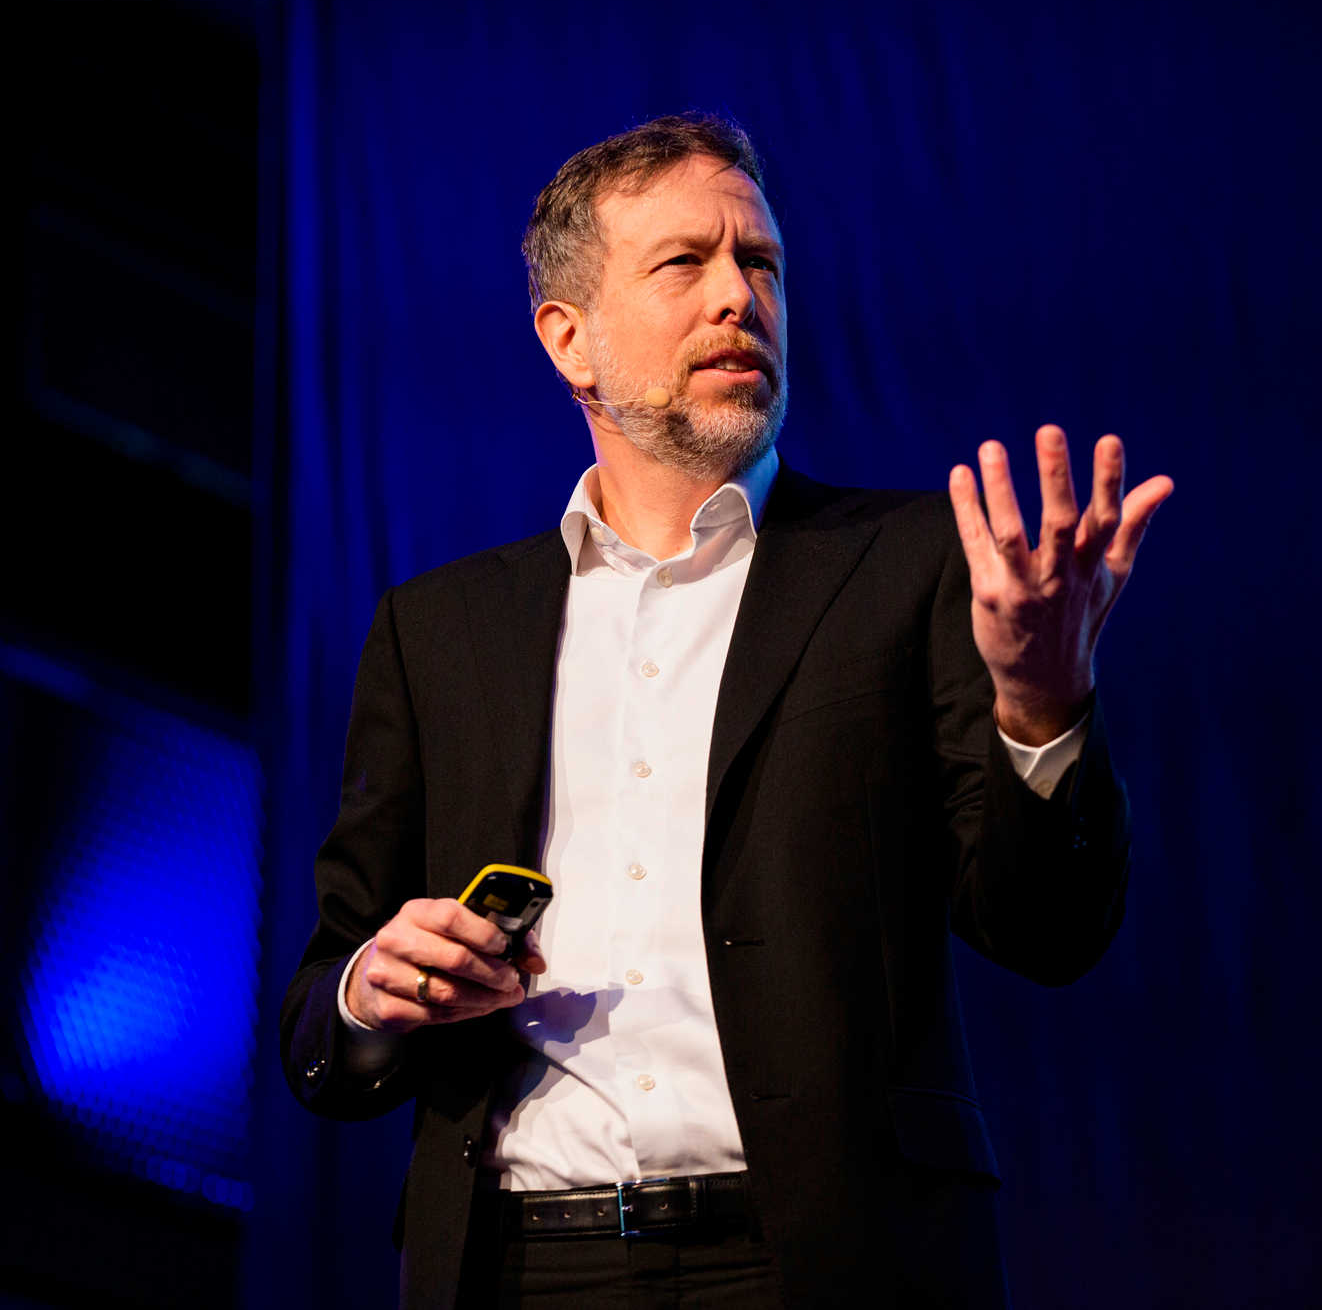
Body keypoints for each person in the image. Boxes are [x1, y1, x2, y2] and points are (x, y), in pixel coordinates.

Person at [281, 113, 1173, 1308]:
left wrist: (1039, 696)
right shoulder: (438, 631)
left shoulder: (910, 566)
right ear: (569, 339)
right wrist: (370, 986)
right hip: (522, 1263)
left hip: (820, 1256)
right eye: (682, 264)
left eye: (759, 264)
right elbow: (324, 1015)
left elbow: (1049, 931)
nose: (736, 298)